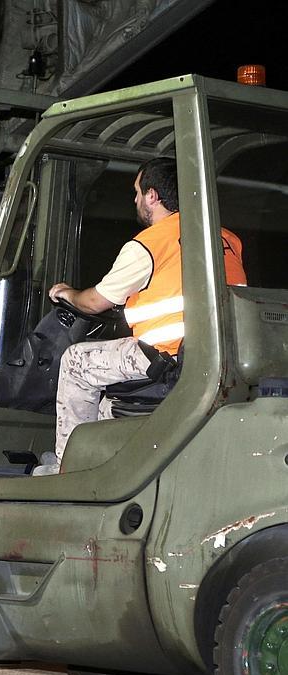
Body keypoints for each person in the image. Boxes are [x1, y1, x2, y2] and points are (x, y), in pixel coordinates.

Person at [37, 156, 246, 475]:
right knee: (105, 395)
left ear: (153, 196)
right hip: (221, 356)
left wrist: (66, 293)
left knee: (78, 362)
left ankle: (68, 469)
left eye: (137, 192)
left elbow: (95, 302)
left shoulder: (151, 243)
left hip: (167, 357)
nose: (134, 200)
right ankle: (98, 460)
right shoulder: (227, 238)